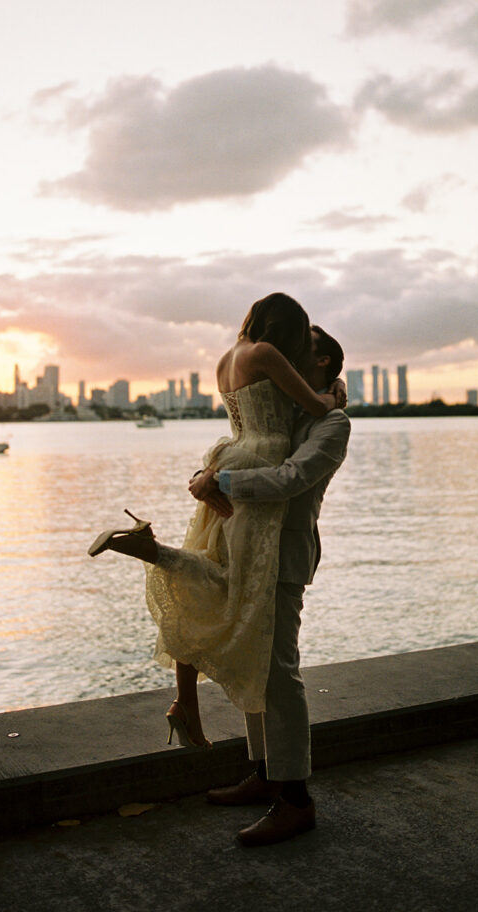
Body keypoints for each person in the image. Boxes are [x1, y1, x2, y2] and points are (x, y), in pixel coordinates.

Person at [88, 293, 346, 753]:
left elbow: (293, 469)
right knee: (238, 608)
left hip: (232, 455)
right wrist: (332, 394)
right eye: (296, 338)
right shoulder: (271, 363)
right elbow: (312, 410)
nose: (295, 353)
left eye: (306, 349)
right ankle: (263, 771)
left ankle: (158, 555)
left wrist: (214, 476)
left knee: (219, 586)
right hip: (247, 471)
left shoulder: (234, 362)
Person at [190, 324, 350, 846]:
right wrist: (210, 472)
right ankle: (263, 774)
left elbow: (289, 479)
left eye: (299, 353)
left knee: (280, 672)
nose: (283, 360)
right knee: (255, 665)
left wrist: (223, 483)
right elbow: (249, 446)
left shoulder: (333, 426)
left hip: (283, 557)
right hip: (249, 549)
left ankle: (296, 799)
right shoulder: (288, 413)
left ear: (322, 362)